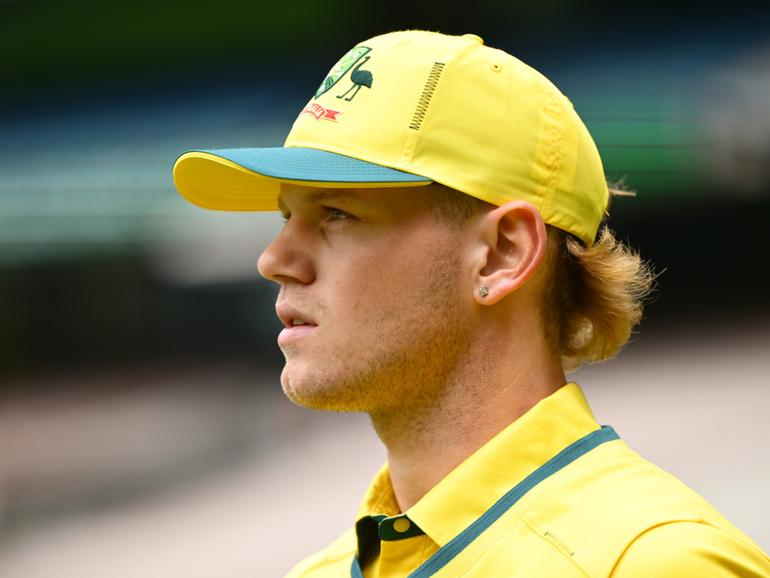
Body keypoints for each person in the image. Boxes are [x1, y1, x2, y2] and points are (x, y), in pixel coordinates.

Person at [172, 29, 770, 577]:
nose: (273, 259)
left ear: (502, 254)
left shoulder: (656, 562)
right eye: (286, 217)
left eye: (337, 214)